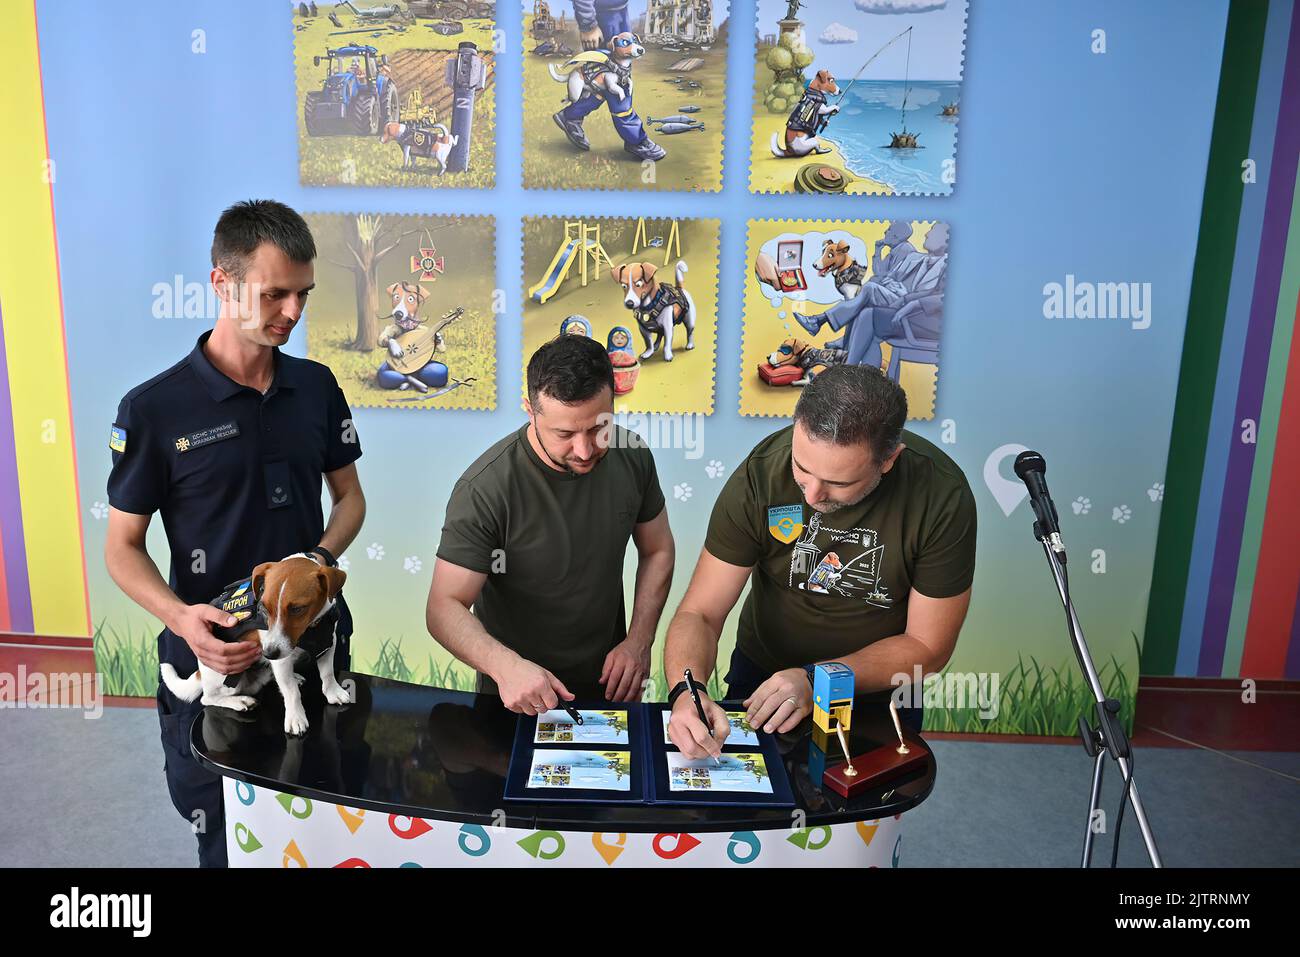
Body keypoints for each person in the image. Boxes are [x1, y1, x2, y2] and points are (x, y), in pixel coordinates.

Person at [104, 200, 366, 867]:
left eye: (303, 294)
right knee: (232, 842)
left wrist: (320, 560)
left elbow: (350, 499)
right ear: (221, 282)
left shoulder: (317, 386)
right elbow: (122, 549)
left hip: (309, 649)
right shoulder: (152, 410)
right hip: (214, 659)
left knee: (330, 823)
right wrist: (183, 620)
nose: (292, 312)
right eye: (273, 293)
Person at [663, 364, 975, 758]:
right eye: (802, 468)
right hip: (764, 677)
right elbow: (701, 612)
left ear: (889, 460)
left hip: (879, 692)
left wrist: (817, 679)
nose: (811, 495)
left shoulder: (941, 495)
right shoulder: (760, 474)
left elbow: (928, 646)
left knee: (867, 811)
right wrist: (686, 691)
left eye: (839, 483)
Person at [426, 334, 674, 713]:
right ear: (530, 410)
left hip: (611, 687)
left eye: (597, 428)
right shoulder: (484, 489)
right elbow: (444, 607)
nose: (585, 450)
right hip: (514, 699)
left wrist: (639, 640)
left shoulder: (633, 455)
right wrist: (505, 667)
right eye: (564, 434)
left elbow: (657, 550)